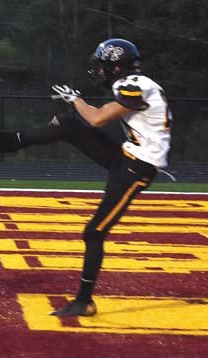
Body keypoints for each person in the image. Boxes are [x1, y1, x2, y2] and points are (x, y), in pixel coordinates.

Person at [39, 38, 172, 316]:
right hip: (129, 157)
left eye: (102, 66)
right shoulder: (136, 82)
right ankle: (4, 141)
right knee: (69, 125)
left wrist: (75, 99)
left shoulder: (135, 85)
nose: (99, 71)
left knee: (95, 231)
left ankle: (84, 302)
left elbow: (97, 118)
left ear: (116, 67)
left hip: (138, 166)